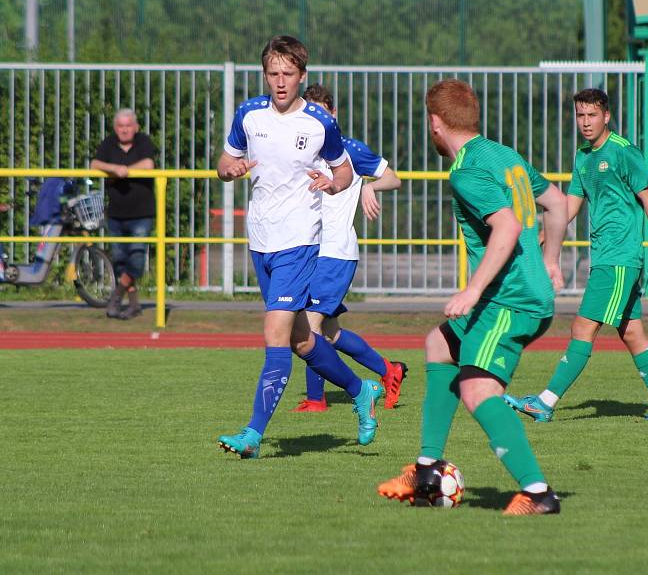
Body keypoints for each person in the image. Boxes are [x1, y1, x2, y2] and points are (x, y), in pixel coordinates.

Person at [377, 79, 569, 516]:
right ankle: (426, 472)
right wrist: (552, 260)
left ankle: (538, 493)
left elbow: (508, 226)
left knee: (477, 389)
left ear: (435, 123)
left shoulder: (465, 171)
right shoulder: (503, 155)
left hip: (510, 299)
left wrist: (472, 289)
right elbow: (556, 203)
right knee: (439, 345)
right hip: (511, 293)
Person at [215, 35, 384, 459]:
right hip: (261, 239)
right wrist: (229, 170)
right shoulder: (249, 114)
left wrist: (334, 183)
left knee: (274, 332)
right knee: (302, 340)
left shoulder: (319, 122)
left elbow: (344, 172)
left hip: (300, 241)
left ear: (302, 75)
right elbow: (223, 162)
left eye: (288, 74)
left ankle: (252, 435)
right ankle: (360, 389)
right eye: (273, 73)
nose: (280, 81)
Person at [504, 88, 648, 422]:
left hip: (620, 258)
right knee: (632, 333)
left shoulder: (623, 152)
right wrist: (543, 236)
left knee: (582, 327)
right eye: (580, 115)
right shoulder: (583, 156)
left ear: (606, 116)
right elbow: (570, 205)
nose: (585, 123)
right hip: (606, 257)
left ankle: (544, 402)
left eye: (591, 115)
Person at [292, 83, 406, 413]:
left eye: (321, 111)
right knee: (328, 330)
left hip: (335, 252)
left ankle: (317, 401)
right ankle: (389, 371)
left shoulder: (348, 150)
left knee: (309, 326)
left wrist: (371, 186)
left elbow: (394, 178)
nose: (316, 119)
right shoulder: (303, 151)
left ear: (334, 113)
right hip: (311, 250)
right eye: (309, 112)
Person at [90, 108, 155, 320]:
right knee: (119, 260)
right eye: (121, 126)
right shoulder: (108, 143)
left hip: (141, 213)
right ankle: (134, 305)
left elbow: (148, 164)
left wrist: (125, 171)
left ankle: (116, 297)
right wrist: (115, 169)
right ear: (115, 128)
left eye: (128, 126)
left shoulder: (143, 141)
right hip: (116, 213)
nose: (125, 130)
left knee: (136, 258)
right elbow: (95, 165)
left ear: (135, 127)